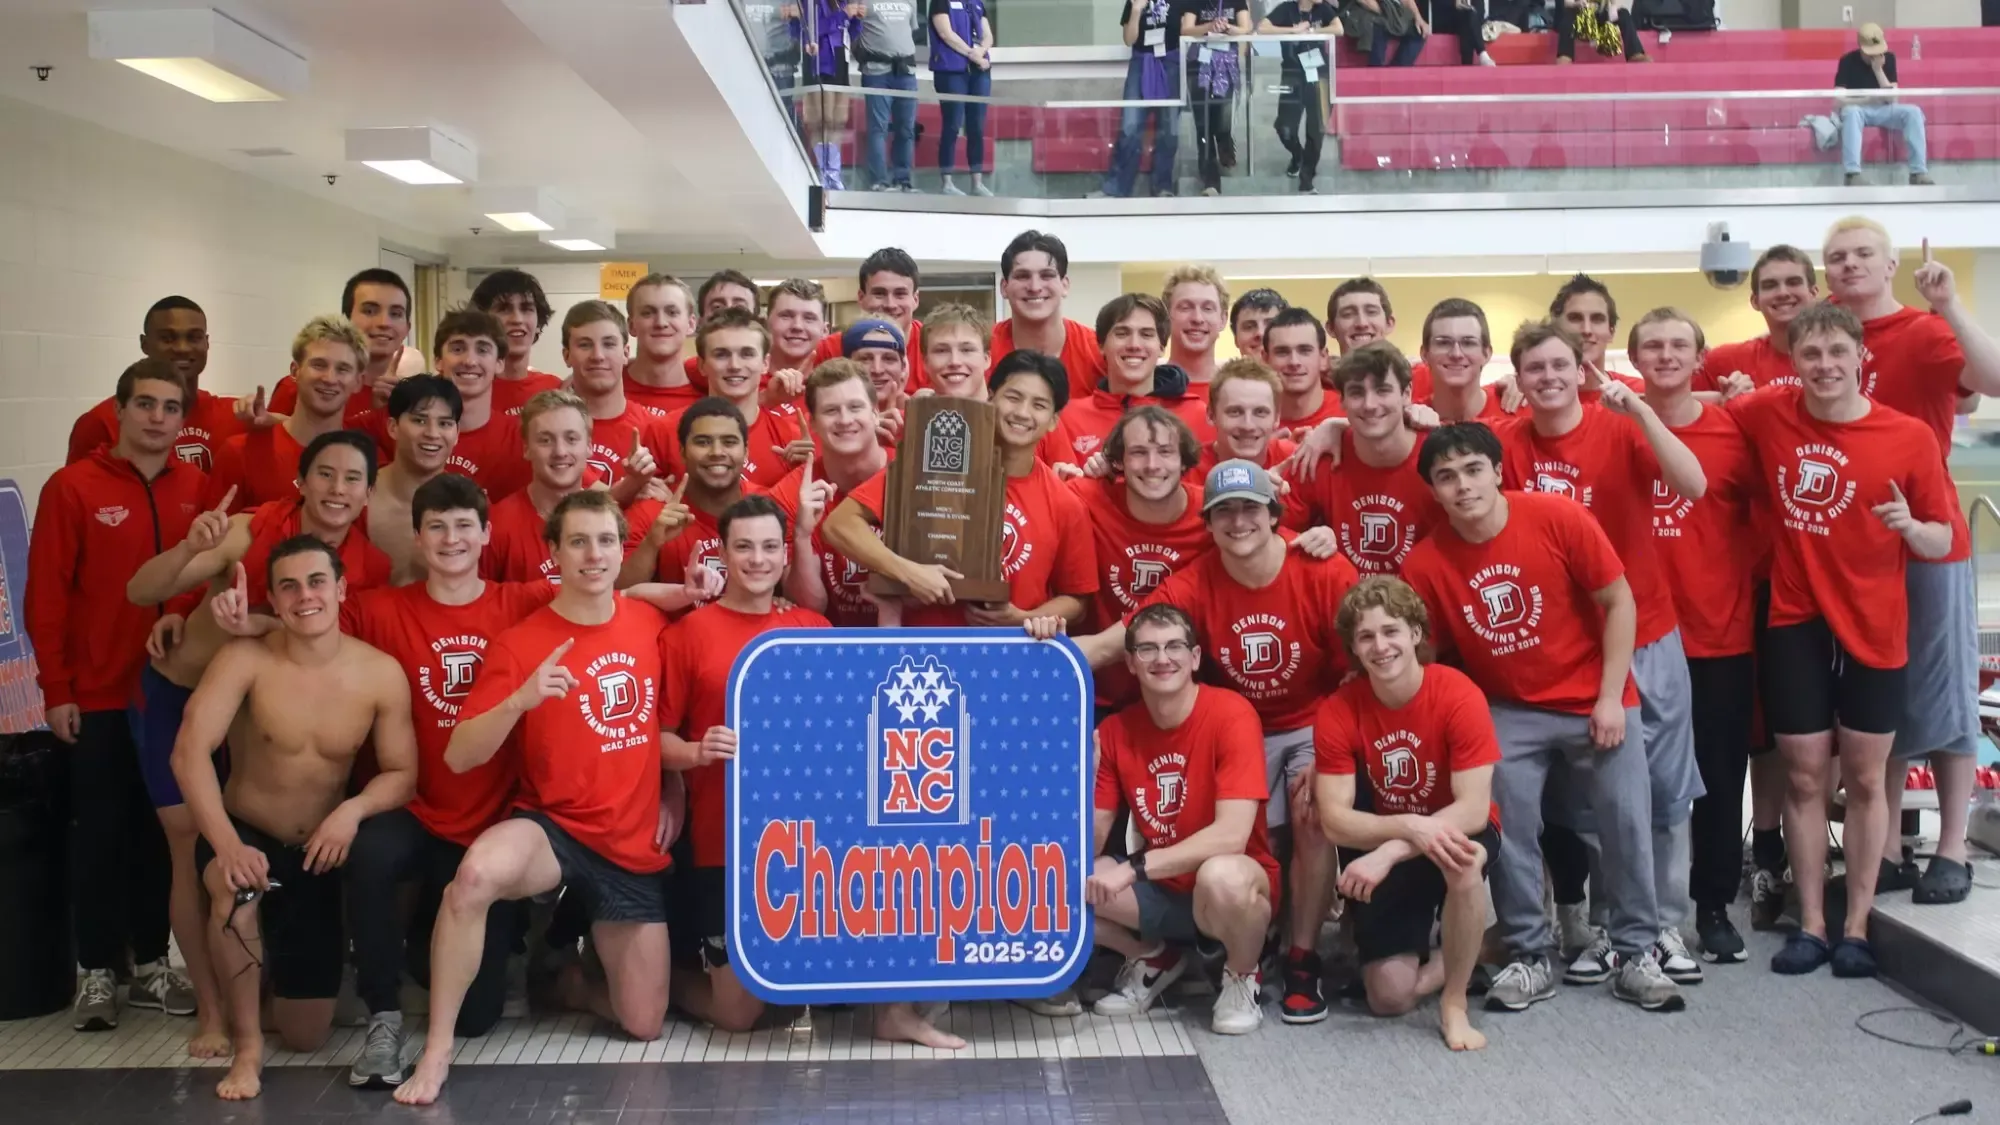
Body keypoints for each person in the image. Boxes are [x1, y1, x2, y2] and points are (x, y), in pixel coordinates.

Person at [394, 491, 674, 1105]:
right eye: (577, 541)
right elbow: (460, 753)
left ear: (621, 547)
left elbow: (666, 727)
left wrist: (673, 793)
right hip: (554, 829)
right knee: (471, 881)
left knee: (644, 1023)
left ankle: (565, 982)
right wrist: (520, 699)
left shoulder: (649, 623)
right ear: (554, 553)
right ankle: (437, 1050)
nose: (593, 554)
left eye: (605, 540)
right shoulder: (522, 642)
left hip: (629, 846)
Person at [1399, 423, 1679, 1013]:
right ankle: (1528, 954)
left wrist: (1610, 696)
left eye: (1473, 469)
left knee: (1627, 821)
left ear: (1498, 471)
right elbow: (1430, 653)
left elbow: (1618, 601)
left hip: (1593, 695)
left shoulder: (1558, 517)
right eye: (1446, 478)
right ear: (1434, 491)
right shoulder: (1425, 563)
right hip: (1508, 708)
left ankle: (1635, 950)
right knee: (1508, 828)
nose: (1463, 486)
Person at [1074, 459, 1358, 1026]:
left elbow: (1360, 666)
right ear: (1208, 522)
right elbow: (1121, 639)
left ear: (1275, 515)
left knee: (1311, 813)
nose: (1237, 521)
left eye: (1250, 508)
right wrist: (1016, 659)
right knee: (1217, 854)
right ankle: (1176, 951)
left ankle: (1299, 957)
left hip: (1312, 717)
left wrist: (1332, 751)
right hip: (1247, 719)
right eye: (1223, 511)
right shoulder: (1194, 582)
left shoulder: (1321, 567)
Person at [1727, 303, 1958, 977]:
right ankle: (1812, 922)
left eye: (1836, 352)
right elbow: (1699, 408)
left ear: (1860, 355)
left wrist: (1911, 528)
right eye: (1811, 354)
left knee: (1862, 777)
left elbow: (1942, 537)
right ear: (1793, 361)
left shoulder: (1908, 435)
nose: (1825, 366)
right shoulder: (1769, 414)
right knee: (1802, 776)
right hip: (1797, 621)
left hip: (1875, 625)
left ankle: (1856, 925)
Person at [1495, 318, 1707, 988]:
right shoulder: (1505, 444)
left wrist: (1641, 408)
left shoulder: (1619, 426)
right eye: (1536, 368)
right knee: (1599, 798)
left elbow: (1694, 484)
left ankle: (1661, 922)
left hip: (1643, 631)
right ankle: (1618, 928)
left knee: (1665, 791)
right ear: (1518, 377)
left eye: (1563, 364)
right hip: (1567, 648)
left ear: (1584, 367)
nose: (1550, 377)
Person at [171, 535, 418, 1100]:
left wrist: (352, 812)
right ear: (272, 602)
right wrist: (228, 844)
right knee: (236, 895)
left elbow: (402, 773)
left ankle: (264, 979)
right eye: (289, 586)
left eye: (316, 582)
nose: (305, 596)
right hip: (246, 829)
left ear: (341, 589)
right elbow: (188, 753)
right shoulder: (243, 659)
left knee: (307, 1034)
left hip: (316, 849)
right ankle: (248, 1048)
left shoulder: (379, 673)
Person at [1823, 216, 2000, 906]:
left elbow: (1992, 378)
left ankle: (1952, 846)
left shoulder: (1925, 330)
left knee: (1946, 692)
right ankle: (1887, 847)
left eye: (1864, 253)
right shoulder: (1824, 337)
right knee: (1879, 699)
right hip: (1854, 547)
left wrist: (1952, 303)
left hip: (1929, 540)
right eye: (1837, 257)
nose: (1850, 265)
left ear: (1891, 262)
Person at [28, 358, 205, 1037]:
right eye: (146, 404)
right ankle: (98, 966)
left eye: (170, 407)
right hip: (97, 692)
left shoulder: (199, 486)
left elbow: (201, 579)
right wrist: (57, 688)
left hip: (167, 692)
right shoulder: (73, 488)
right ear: (120, 410)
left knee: (161, 833)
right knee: (99, 833)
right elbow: (47, 594)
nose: (158, 418)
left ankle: (156, 958)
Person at [1315, 576, 1499, 1051]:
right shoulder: (1338, 710)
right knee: (1389, 997)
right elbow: (1334, 819)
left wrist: (1394, 848)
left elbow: (1474, 808)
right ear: (1354, 649)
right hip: (1388, 832)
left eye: (1391, 631)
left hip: (1457, 828)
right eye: (1366, 637)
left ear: (1416, 633)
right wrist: (1407, 829)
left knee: (1463, 864)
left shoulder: (1458, 694)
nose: (1381, 646)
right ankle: (1482, 943)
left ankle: (1454, 1004)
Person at [1628, 308, 1760, 965]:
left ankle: (1712, 904)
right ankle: (1633, 913)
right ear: (1634, 358)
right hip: (1634, 636)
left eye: (1680, 343)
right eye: (1652, 344)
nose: (1666, 354)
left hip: (1716, 634)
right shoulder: (1612, 423)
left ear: (1700, 355)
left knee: (1714, 776)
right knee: (1630, 782)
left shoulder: (1735, 430)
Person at [1084, 604, 1279, 1035]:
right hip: (1165, 892)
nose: (1162, 658)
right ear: (1131, 663)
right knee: (1066, 880)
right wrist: (1088, 775)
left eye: (1174, 646)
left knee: (1221, 875)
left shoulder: (1231, 713)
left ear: (1195, 658)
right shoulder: (1116, 730)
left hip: (1234, 889)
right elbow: (1091, 845)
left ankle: (1241, 975)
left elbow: (1231, 835)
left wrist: (1133, 870)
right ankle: (1153, 954)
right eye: (1147, 649)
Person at [823, 351, 1098, 629]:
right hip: (920, 654)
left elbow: (1077, 598)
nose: (1022, 413)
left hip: (1008, 658)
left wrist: (1020, 619)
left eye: (1039, 405)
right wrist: (908, 572)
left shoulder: (1064, 502)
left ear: (1053, 420)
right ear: (991, 398)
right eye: (1013, 397)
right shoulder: (933, 462)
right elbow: (839, 525)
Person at [1075, 407, 1214, 714]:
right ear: (1118, 461)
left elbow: (1267, 537)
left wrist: (1320, 535)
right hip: (1092, 695)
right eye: (1138, 452)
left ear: (1184, 460)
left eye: (1165, 452)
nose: (1152, 465)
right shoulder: (1084, 497)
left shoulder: (1213, 510)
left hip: (1181, 698)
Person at [1287, 343, 1442, 574]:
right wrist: (1313, 536)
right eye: (1357, 393)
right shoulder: (1321, 455)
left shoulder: (1443, 457)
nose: (1369, 405)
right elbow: (1274, 531)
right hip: (1345, 601)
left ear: (1407, 394)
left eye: (1382, 390)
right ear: (1342, 400)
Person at [206, 316, 366, 512]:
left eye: (343, 369)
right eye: (319, 365)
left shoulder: (366, 459)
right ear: (295, 370)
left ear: (358, 381)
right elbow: (213, 540)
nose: (329, 378)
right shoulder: (240, 454)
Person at [771, 360, 890, 624]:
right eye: (831, 411)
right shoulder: (790, 493)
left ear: (875, 413)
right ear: (812, 423)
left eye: (855, 407)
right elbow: (811, 605)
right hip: (830, 643)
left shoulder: (908, 473)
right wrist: (802, 535)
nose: (845, 420)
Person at [67, 296, 241, 470]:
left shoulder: (235, 416)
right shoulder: (101, 421)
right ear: (145, 344)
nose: (182, 348)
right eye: (167, 338)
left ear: (207, 342)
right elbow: (82, 489)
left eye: (193, 338)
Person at [621, 397, 766, 586]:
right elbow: (617, 594)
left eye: (729, 442)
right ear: (682, 452)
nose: (716, 452)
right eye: (703, 442)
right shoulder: (650, 514)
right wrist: (651, 544)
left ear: (746, 452)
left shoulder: (767, 508)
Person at [1055, 293, 1211, 462]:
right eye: (1122, 333)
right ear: (1101, 345)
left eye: (1146, 334)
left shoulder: (1197, 415)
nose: (1134, 345)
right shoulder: (1067, 419)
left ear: (1161, 347)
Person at [668, 307, 810, 489]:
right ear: (702, 365)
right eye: (721, 354)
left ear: (765, 363)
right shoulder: (665, 431)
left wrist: (807, 470)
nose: (734, 365)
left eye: (747, 354)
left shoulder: (792, 439)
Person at [267, 269, 424, 423]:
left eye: (395, 314)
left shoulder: (413, 402)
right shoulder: (302, 386)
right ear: (346, 320)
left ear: (407, 329)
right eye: (370, 311)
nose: (384, 323)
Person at [558, 299, 676, 504]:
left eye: (609, 344)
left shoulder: (655, 429)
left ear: (626, 353)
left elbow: (674, 503)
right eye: (585, 345)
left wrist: (667, 500)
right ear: (567, 355)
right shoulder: (549, 430)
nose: (598, 356)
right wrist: (632, 487)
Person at [486, 390, 598, 585]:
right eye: (545, 440)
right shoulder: (497, 527)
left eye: (571, 439)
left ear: (589, 446)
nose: (560, 452)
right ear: (526, 448)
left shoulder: (609, 523)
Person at [365, 375, 465, 585]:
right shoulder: (356, 498)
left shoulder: (470, 506)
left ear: (456, 434)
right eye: (419, 420)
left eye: (445, 423)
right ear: (393, 427)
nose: (432, 433)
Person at [427, 308, 531, 498]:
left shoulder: (523, 438)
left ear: (499, 363)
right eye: (458, 349)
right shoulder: (412, 434)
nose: (469, 361)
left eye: (482, 350)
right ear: (438, 361)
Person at [993, 231, 1106, 402]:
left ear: (1064, 285)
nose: (1035, 287)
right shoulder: (977, 349)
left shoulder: (1099, 352)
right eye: (1022, 276)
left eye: (1047, 275)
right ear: (1004, 287)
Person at [1696, 245, 1817, 398]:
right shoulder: (1724, 360)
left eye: (1793, 282)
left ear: (1813, 293)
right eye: (1770, 285)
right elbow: (1677, 409)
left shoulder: (1842, 357)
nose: (1782, 293)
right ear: (1755, 301)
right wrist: (1724, 406)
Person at [807, 249, 926, 389]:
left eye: (900, 294)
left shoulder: (933, 346)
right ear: (861, 297)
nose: (890, 305)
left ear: (915, 299)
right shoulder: (828, 350)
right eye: (879, 294)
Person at [1099, 0, 1182, 200]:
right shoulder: (1134, 1)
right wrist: (1136, 10)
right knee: (1130, 125)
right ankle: (1117, 187)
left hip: (1170, 63)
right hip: (1141, 62)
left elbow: (1188, 29)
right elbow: (1129, 39)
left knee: (1169, 129)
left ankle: (1163, 186)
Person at [1835, 23, 1932, 187]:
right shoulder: (1847, 61)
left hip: (1884, 109)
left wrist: (1878, 70)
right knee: (1851, 113)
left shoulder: (1889, 59)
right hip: (1859, 109)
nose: (1875, 55)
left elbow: (1892, 98)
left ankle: (1918, 172)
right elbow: (1838, 100)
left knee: (1913, 112)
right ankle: (1852, 174)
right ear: (1861, 48)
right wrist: (1867, 100)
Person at [1261, 0, 1339, 193]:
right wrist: (1292, 30)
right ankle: (1298, 156)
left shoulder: (1323, 9)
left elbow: (1339, 29)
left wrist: (1313, 32)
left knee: (1316, 130)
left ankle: (1307, 180)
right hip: (1293, 73)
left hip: (1319, 74)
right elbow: (1263, 27)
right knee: (1285, 127)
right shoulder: (1287, 8)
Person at [1179, 0, 1250, 196]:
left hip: (1226, 66)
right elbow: (1186, 30)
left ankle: (1225, 144)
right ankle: (1211, 181)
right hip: (1199, 66)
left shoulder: (1236, 1)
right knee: (1204, 125)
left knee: (1223, 118)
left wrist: (1228, 28)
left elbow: (1246, 29)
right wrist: (1209, 27)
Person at [470, 269, 564, 412]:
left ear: (538, 323)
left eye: (526, 309)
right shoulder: (465, 389)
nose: (517, 319)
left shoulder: (556, 390)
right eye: (504, 309)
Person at [929, 0, 993, 195]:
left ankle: (977, 183)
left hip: (979, 70)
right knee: (952, 124)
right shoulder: (940, 2)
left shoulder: (977, 3)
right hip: (952, 70)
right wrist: (971, 53)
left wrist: (981, 50)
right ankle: (947, 182)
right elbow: (945, 33)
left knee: (977, 126)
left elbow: (988, 35)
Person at [857, 0, 920, 192]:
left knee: (906, 129)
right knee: (878, 128)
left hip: (906, 71)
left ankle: (903, 180)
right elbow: (852, 29)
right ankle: (879, 181)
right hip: (876, 71)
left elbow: (910, 30)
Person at [623, 273, 703, 413]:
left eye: (672, 312)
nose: (661, 323)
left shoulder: (709, 399)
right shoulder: (605, 389)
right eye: (647, 313)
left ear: (691, 324)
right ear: (631, 326)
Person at [1417, 298, 1508, 422]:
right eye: (1443, 343)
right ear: (1424, 354)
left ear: (1487, 354)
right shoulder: (1406, 421)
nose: (1456, 354)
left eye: (1468, 343)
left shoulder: (1517, 411)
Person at [1264, 307, 1344, 433]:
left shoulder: (1352, 413)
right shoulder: (1246, 421)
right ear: (1265, 359)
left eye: (1305, 351)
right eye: (1282, 352)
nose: (1294, 362)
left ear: (1323, 357)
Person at [1162, 265, 1227, 390]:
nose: (1197, 318)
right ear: (1166, 316)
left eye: (1207, 308)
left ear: (1223, 319)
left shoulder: (1238, 389)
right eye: (1185, 307)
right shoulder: (1147, 387)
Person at [767, 278, 832, 376]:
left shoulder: (838, 379)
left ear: (825, 330)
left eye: (809, 318)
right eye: (786, 316)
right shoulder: (746, 378)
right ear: (766, 324)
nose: (797, 326)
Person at [1555, 0, 1647, 64]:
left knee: (1624, 14)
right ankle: (1565, 55)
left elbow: (1617, 2)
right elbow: (1567, 3)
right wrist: (1577, 4)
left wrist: (1614, 7)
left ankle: (1635, 53)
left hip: (1602, 15)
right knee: (1568, 16)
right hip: (1582, 15)